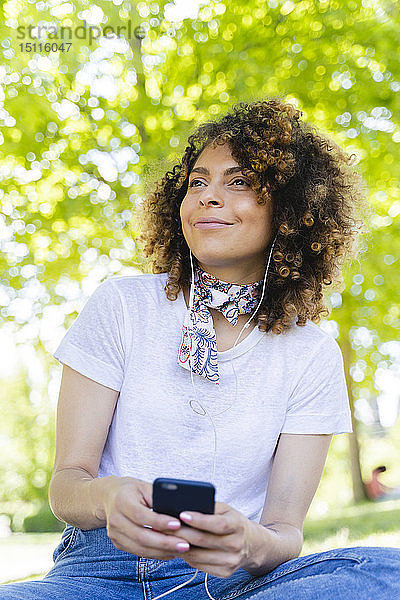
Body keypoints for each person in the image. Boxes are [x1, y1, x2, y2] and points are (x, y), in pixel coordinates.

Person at [1, 97, 399, 599]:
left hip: (231, 582)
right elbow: (67, 485)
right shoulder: (121, 306)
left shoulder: (312, 355)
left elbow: (284, 532)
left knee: (386, 573)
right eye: (197, 182)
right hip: (97, 574)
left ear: (291, 211)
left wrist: (249, 542)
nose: (209, 196)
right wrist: (108, 497)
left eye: (238, 182)